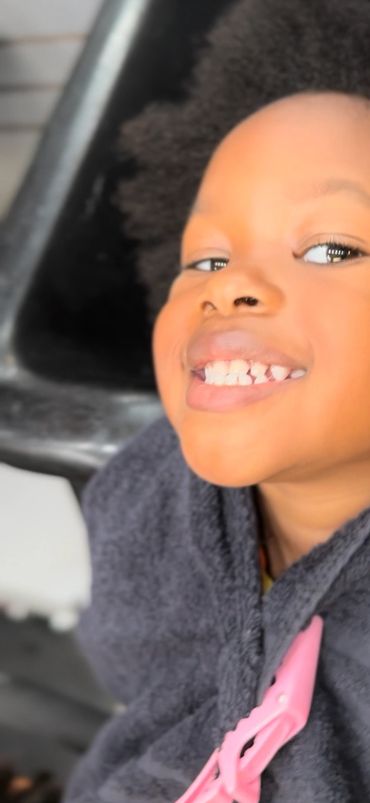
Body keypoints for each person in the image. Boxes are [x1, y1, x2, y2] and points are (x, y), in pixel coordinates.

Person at [64, 2, 370, 801]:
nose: (228, 284)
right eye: (203, 258)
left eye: (331, 247)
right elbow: (130, 669)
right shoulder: (150, 499)